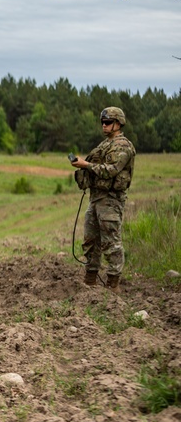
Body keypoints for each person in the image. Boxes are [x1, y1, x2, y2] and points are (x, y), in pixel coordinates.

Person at [70, 106, 136, 292]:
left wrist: (86, 164)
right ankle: (90, 279)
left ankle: (113, 284)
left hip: (110, 199)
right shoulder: (105, 144)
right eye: (103, 122)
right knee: (90, 240)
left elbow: (111, 171)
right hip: (96, 197)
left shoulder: (123, 146)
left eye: (108, 122)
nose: (104, 126)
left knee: (111, 242)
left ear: (118, 123)